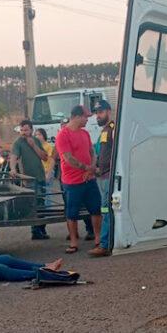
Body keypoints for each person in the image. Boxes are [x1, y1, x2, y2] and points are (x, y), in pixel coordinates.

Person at [55, 105, 102, 254]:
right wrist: (87, 168)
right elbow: (68, 158)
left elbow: (92, 152)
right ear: (76, 116)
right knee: (72, 213)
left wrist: (92, 167)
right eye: (85, 117)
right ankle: (74, 241)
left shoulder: (85, 134)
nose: (87, 120)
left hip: (89, 179)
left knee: (96, 209)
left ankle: (98, 238)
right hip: (72, 181)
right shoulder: (63, 135)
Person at [54, 120, 95, 242]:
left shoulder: (82, 134)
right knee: (71, 209)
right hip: (68, 179)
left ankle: (91, 230)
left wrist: (90, 168)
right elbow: (56, 157)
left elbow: (91, 153)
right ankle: (73, 235)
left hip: (85, 177)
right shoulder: (61, 138)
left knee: (90, 207)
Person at [10, 119, 50, 240]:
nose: (23, 132)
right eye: (21, 130)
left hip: (40, 176)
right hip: (29, 179)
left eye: (26, 130)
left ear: (31, 130)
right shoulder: (18, 143)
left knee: (41, 203)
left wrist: (33, 145)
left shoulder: (36, 140)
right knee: (33, 204)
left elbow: (45, 157)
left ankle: (42, 229)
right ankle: (35, 231)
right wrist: (13, 169)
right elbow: (13, 157)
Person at [89, 99, 115, 257]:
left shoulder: (112, 129)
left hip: (108, 177)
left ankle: (105, 244)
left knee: (106, 209)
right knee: (105, 209)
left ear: (108, 111)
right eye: (96, 113)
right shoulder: (105, 130)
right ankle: (107, 241)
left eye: (100, 112)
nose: (97, 116)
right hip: (103, 176)